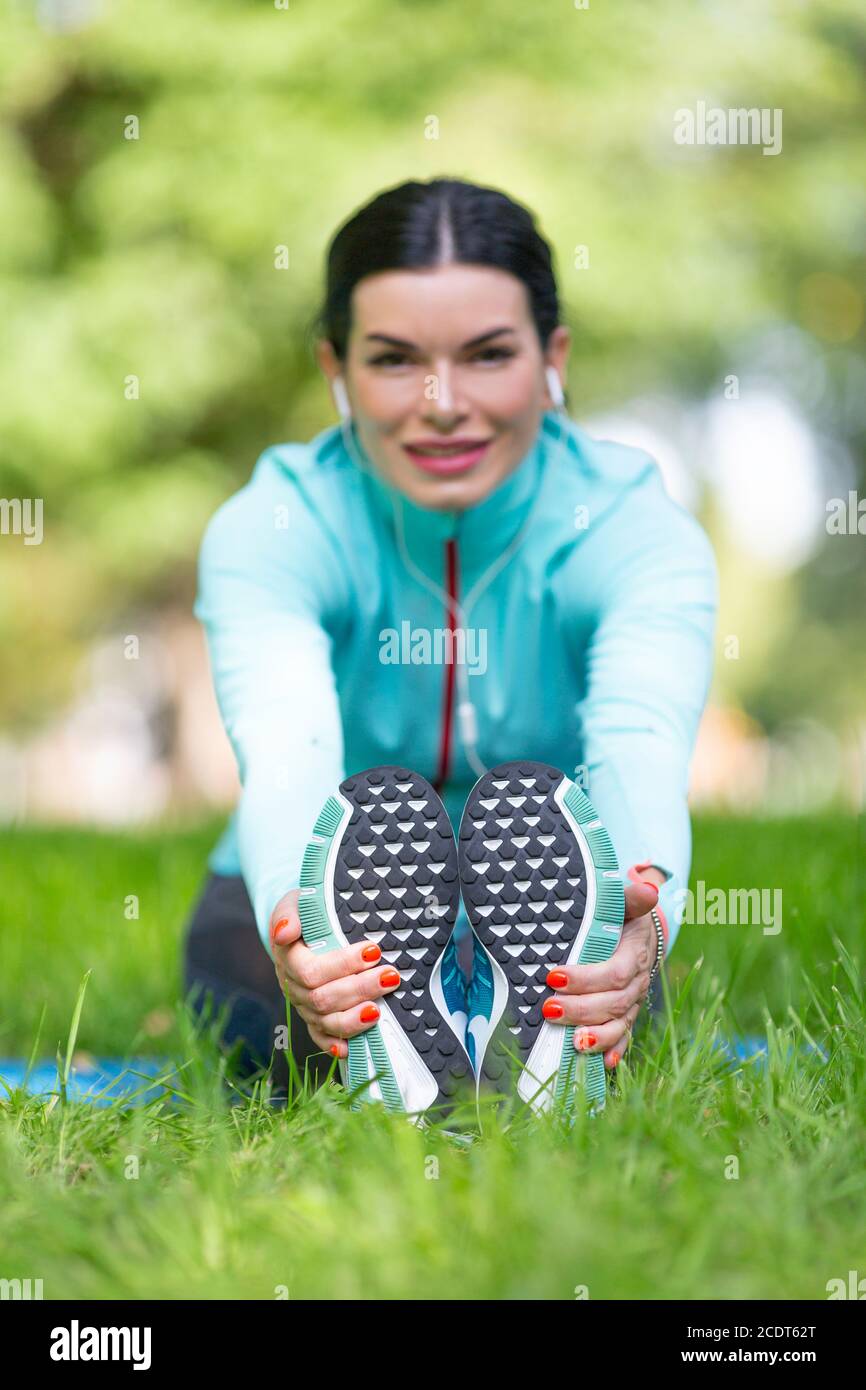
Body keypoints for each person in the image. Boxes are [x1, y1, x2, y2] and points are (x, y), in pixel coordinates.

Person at [183, 176, 718, 1104]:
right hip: (322, 883)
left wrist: (645, 922)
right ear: (334, 368)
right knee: (269, 1040)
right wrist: (305, 930)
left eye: (486, 355)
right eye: (394, 361)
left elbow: (641, 739)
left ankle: (525, 1036)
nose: (441, 403)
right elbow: (286, 745)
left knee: (605, 1000)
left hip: (554, 891)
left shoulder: (632, 527)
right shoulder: (272, 526)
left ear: (552, 357)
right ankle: (385, 1033)